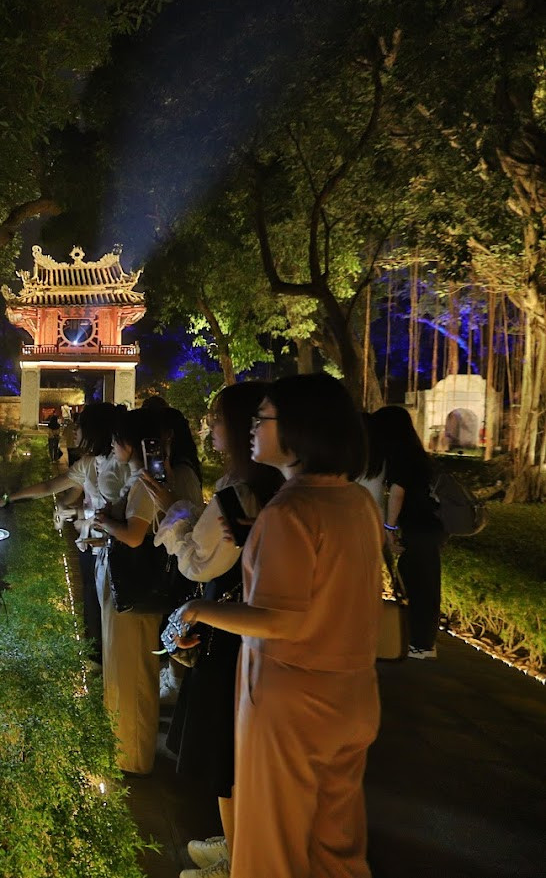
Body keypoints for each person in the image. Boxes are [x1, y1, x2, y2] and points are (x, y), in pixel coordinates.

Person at [173, 373, 382, 878]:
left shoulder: (291, 509)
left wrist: (197, 611)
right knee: (335, 842)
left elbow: (282, 619)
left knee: (273, 844)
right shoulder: (356, 502)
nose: (252, 428)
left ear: (299, 429)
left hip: (291, 702)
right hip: (352, 695)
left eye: (263, 418)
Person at [148, 382, 283, 878]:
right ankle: (235, 847)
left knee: (224, 757)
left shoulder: (240, 492)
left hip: (233, 633)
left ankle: (236, 860)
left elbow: (198, 563)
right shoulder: (265, 487)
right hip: (244, 630)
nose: (212, 426)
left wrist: (173, 513)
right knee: (233, 755)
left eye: (219, 417)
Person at [93, 407, 202, 774]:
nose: (111, 445)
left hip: (134, 588)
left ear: (129, 442)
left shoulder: (146, 483)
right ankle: (125, 750)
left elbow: (135, 536)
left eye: (115, 439)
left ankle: (132, 758)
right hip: (137, 588)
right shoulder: (152, 478)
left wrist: (107, 521)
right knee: (130, 669)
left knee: (132, 672)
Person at [0, 403, 127, 657]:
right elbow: (49, 487)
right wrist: (9, 497)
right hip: (90, 543)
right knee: (92, 599)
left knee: (114, 606)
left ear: (94, 430)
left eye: (79, 427)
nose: (74, 432)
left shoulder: (122, 466)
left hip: (117, 546)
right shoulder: (88, 464)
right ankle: (96, 656)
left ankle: (109, 656)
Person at [370, 405, 445, 659]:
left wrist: (389, 528)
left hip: (419, 528)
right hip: (431, 527)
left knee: (417, 584)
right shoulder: (417, 454)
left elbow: (398, 494)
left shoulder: (401, 456)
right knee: (426, 585)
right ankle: (423, 642)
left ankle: (419, 643)